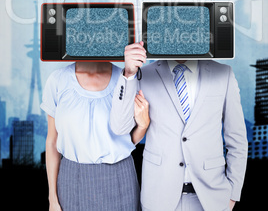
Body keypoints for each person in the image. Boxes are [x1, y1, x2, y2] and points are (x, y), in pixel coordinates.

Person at [110, 42, 248, 211]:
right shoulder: (143, 74)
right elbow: (119, 128)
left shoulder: (223, 74)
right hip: (159, 197)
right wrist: (129, 74)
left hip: (211, 198)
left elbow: (237, 139)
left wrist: (233, 194)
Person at [40, 61, 150, 211]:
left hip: (119, 175)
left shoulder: (126, 79)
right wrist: (52, 198)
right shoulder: (58, 80)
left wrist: (143, 126)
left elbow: (127, 141)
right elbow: (52, 142)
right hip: (71, 177)